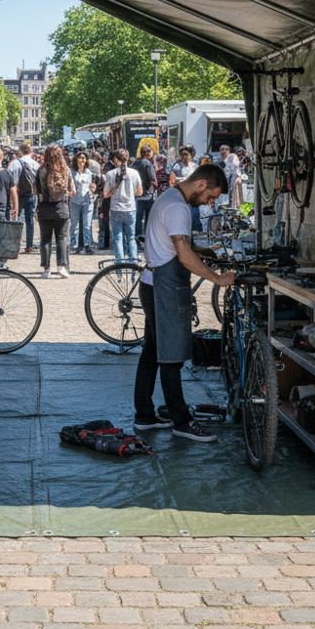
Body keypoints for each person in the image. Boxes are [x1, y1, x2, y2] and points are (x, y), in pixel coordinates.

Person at [134, 163, 235, 441]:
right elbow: (184, 255)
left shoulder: (169, 196)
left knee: (152, 352)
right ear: (201, 184)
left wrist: (208, 253)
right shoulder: (178, 207)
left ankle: (144, 415)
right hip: (163, 286)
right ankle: (181, 421)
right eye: (210, 196)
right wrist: (217, 278)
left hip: (153, 282)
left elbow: (182, 247)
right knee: (171, 356)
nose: (208, 202)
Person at [35, 145, 74, 278]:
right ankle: (61, 267)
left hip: (44, 208)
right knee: (62, 238)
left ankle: (46, 269)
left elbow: (35, 190)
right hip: (61, 208)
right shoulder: (65, 170)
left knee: (45, 239)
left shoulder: (41, 170)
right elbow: (73, 190)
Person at [103, 149, 142, 263]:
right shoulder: (134, 173)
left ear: (116, 159)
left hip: (116, 208)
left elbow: (105, 194)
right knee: (131, 237)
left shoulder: (110, 174)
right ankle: (133, 262)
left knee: (117, 237)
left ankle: (119, 263)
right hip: (130, 208)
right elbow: (139, 192)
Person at [14, 143, 41, 253]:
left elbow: (13, 180)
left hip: (19, 195)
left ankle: (16, 244)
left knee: (18, 219)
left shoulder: (16, 163)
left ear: (21, 151)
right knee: (30, 221)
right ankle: (29, 245)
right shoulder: (36, 164)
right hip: (32, 194)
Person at [69, 151, 95, 254]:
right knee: (74, 224)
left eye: (84, 158)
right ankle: (74, 245)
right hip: (75, 201)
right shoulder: (72, 172)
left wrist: (93, 189)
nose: (82, 160)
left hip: (88, 201)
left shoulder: (89, 173)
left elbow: (94, 186)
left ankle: (88, 245)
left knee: (87, 224)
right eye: (80, 158)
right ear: (76, 160)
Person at [133, 144, 158, 240]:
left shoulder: (135, 163)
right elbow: (153, 181)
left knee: (138, 217)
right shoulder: (148, 164)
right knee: (148, 216)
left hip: (137, 195)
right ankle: (147, 235)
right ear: (147, 153)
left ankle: (138, 235)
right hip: (148, 195)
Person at [218, 144, 243, 209]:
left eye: (226, 149)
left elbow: (236, 167)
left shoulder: (232, 157)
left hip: (233, 184)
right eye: (222, 149)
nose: (224, 151)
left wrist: (238, 176)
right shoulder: (220, 162)